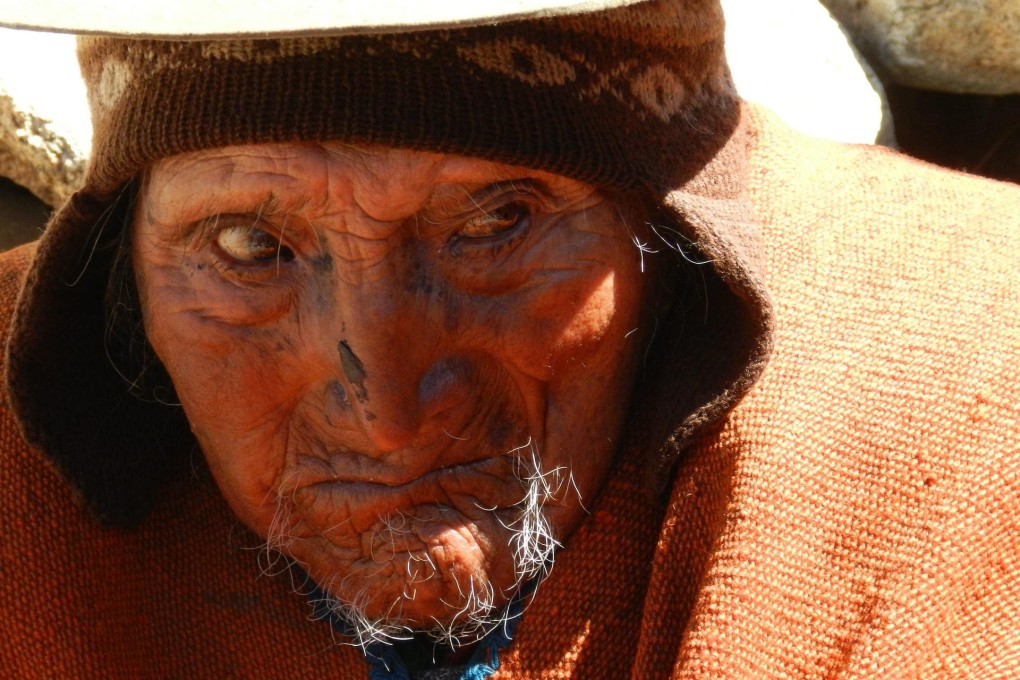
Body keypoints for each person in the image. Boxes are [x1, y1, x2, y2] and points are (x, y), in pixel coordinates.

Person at [0, 1, 1017, 678]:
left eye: (496, 222)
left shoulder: (966, 399)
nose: (389, 407)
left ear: (679, 232)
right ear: (118, 269)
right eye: (248, 245)